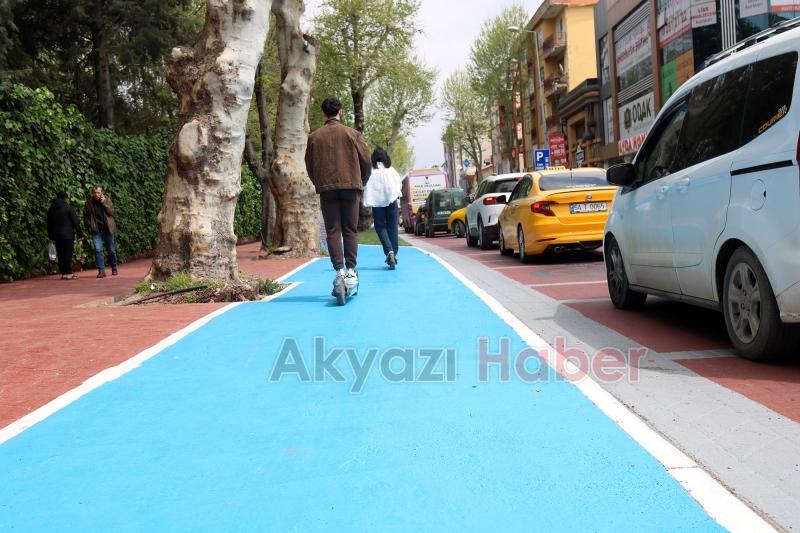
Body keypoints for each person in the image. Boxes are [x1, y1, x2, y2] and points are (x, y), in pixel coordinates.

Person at [305, 97, 372, 296]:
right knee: (350, 229)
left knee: (333, 230)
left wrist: (319, 182)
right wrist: (362, 181)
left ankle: (339, 271)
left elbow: (309, 165)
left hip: (327, 189)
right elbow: (366, 161)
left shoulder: (314, 137)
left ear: (323, 114)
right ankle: (352, 271)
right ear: (339, 112)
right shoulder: (353, 134)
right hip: (351, 186)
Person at [363, 147, 402, 269]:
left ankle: (389, 251)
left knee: (380, 227)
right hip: (392, 202)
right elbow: (398, 184)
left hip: (377, 204)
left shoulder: (371, 171)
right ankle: (393, 253)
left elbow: (365, 185)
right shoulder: (391, 170)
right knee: (392, 228)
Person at [84, 186, 118, 278]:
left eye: (98, 192)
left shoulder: (107, 200)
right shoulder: (89, 203)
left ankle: (114, 267)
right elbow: (86, 216)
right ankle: (101, 271)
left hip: (108, 229)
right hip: (96, 230)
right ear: (92, 193)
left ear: (101, 193)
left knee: (111, 250)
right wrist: (90, 225)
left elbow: (111, 212)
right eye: (95, 192)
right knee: (98, 250)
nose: (96, 194)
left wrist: (104, 203)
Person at [47, 191, 82, 280]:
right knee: (68, 254)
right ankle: (69, 273)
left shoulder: (51, 209)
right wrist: (80, 234)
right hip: (68, 235)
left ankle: (63, 273)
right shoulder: (68, 208)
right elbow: (75, 222)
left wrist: (51, 237)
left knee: (61, 254)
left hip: (57, 235)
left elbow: (49, 224)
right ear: (65, 198)